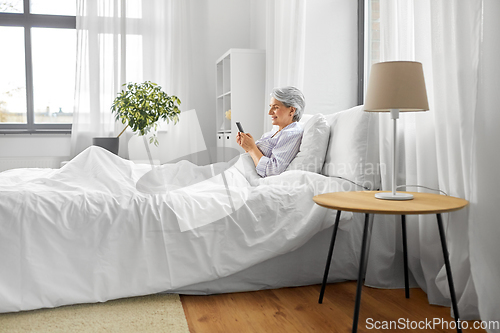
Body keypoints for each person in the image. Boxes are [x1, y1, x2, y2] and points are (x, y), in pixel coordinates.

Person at [236, 86, 305, 177]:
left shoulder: (292, 133)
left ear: (292, 110)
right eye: (270, 107)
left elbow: (272, 171)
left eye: (275, 107)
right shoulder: (273, 133)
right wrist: (247, 147)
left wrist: (252, 148)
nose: (269, 112)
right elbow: (256, 159)